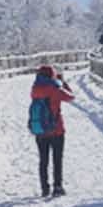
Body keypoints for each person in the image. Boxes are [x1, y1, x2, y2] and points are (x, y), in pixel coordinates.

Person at [30, 65, 74, 197]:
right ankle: (57, 187)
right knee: (57, 159)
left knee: (43, 160)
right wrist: (63, 82)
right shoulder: (55, 89)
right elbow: (71, 97)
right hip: (57, 130)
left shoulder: (34, 89)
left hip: (41, 131)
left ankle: (44, 188)